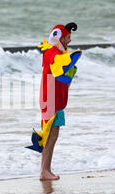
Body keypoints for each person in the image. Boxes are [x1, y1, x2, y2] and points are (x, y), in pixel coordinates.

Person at [26, 22, 82, 181]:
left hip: (56, 99)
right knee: (49, 134)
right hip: (50, 98)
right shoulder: (51, 52)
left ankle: (46, 170)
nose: (70, 41)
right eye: (68, 37)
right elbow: (57, 62)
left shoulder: (59, 52)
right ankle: (44, 171)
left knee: (53, 134)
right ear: (60, 38)